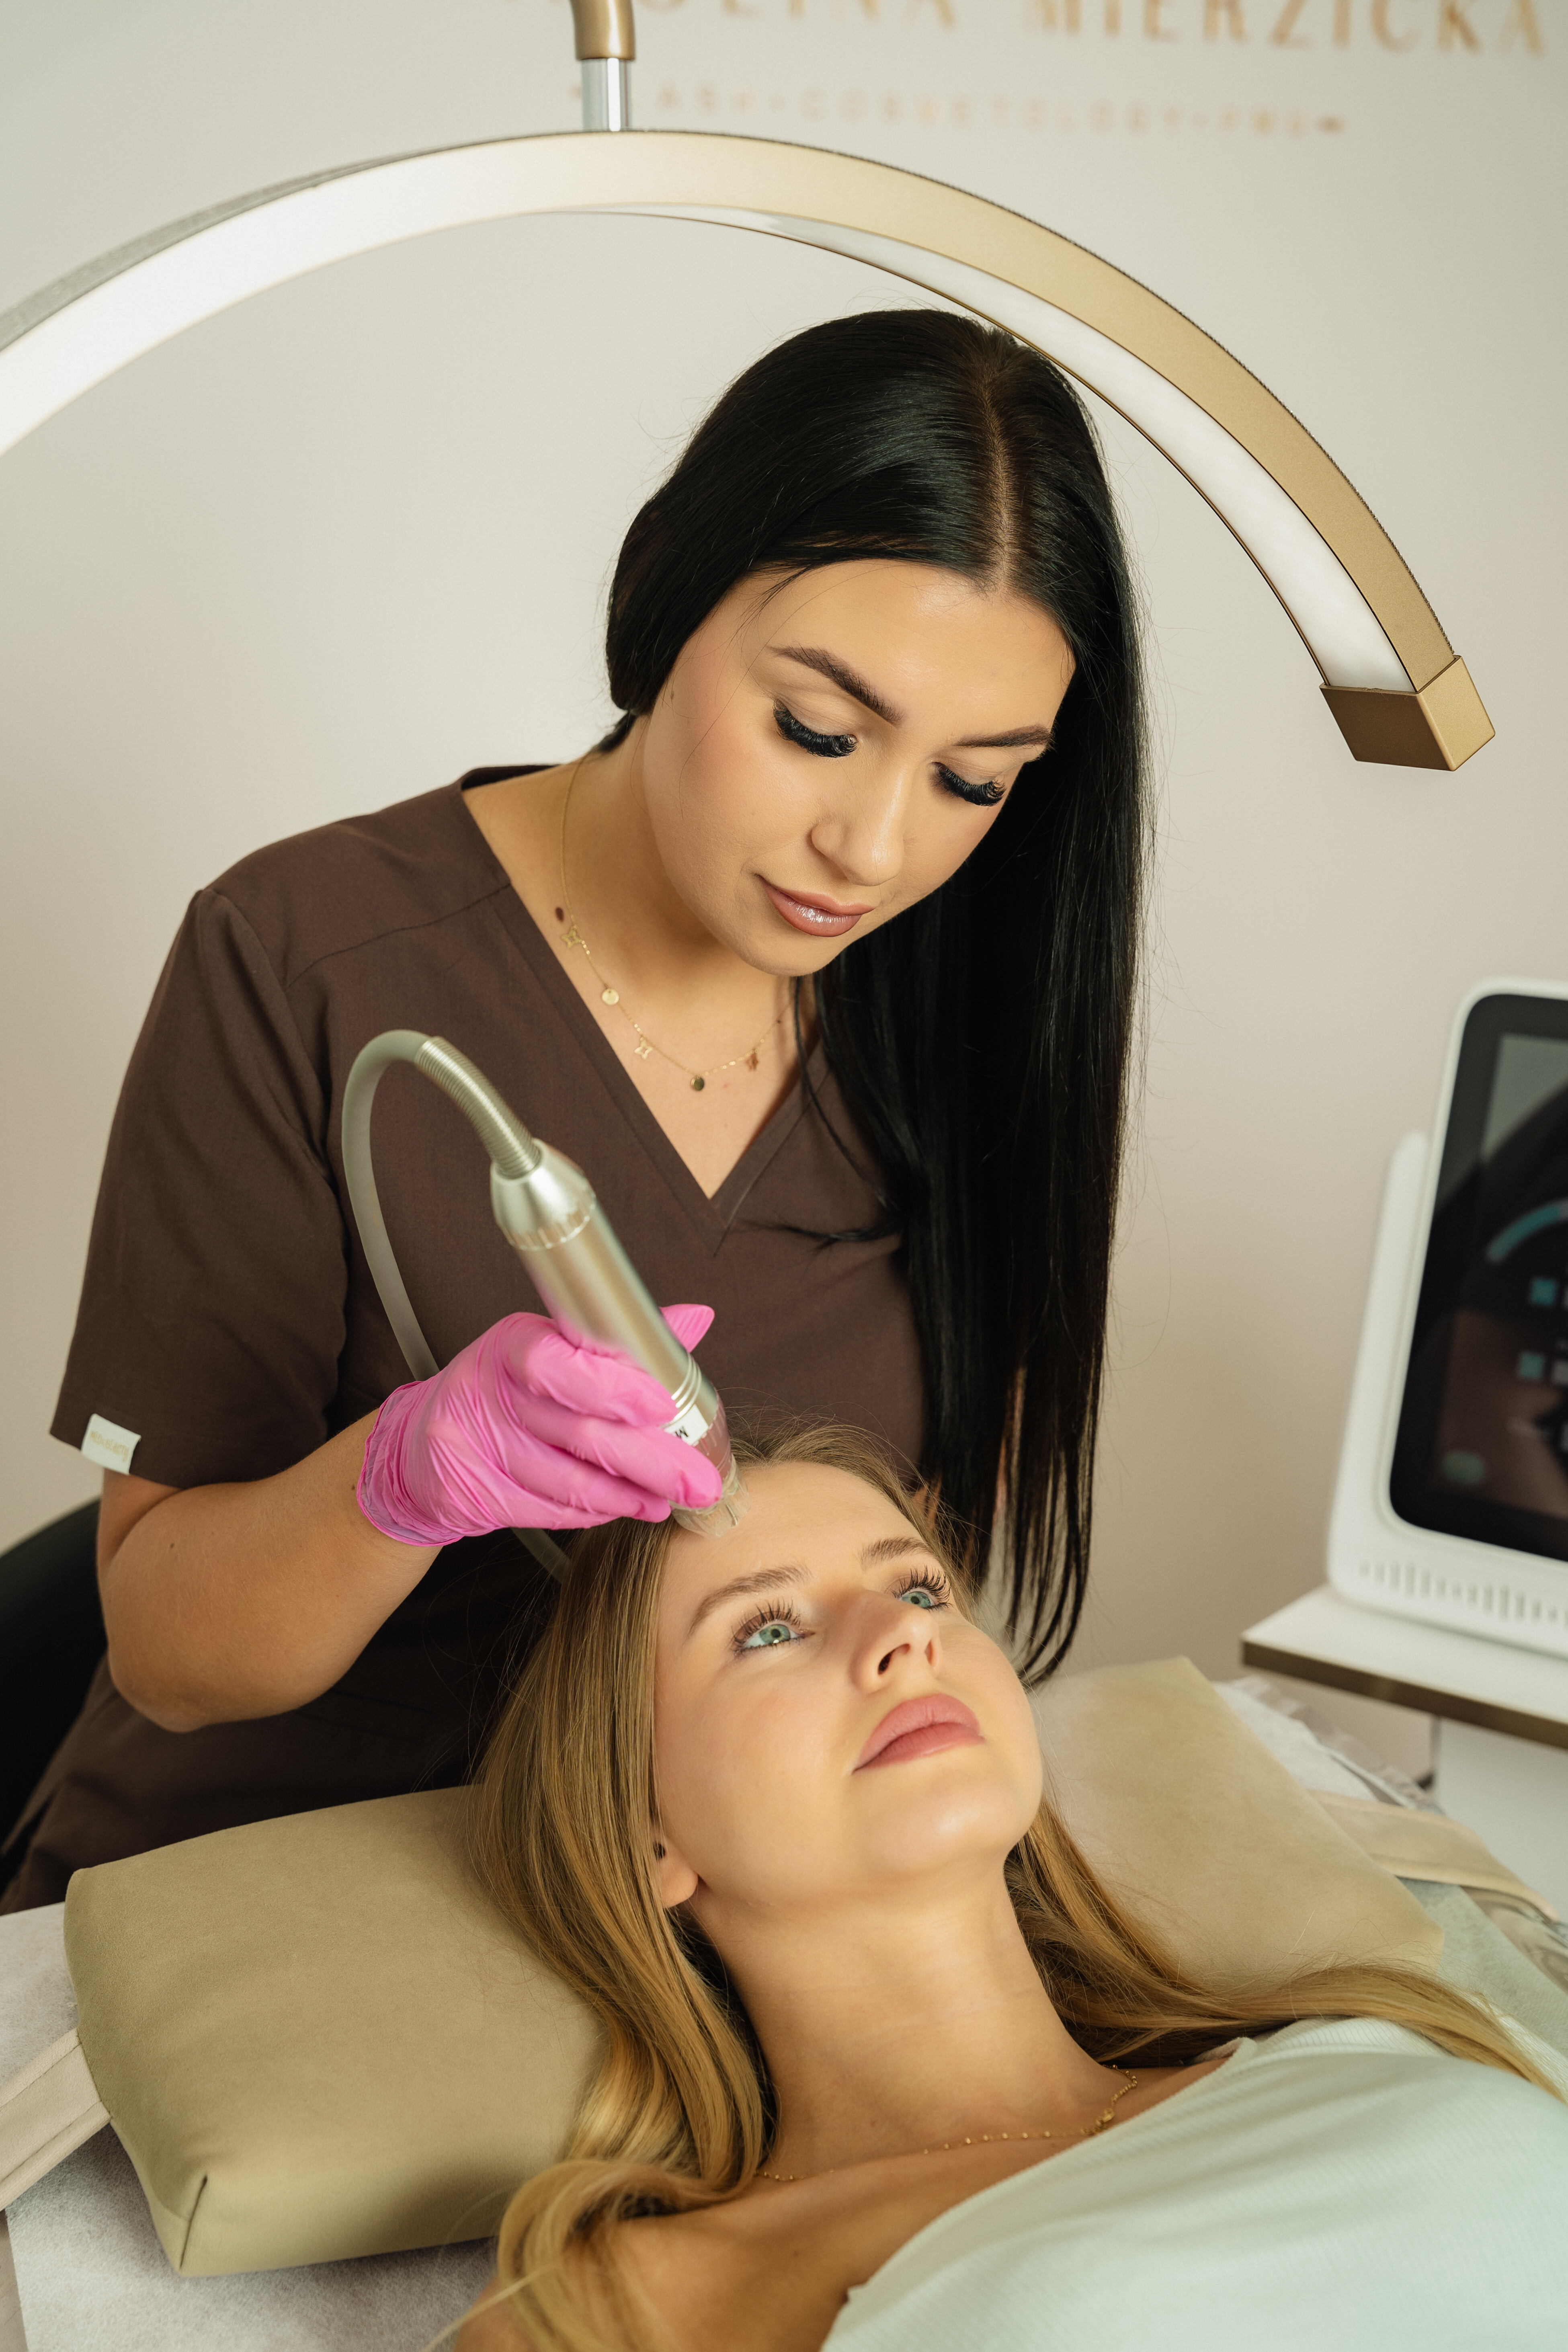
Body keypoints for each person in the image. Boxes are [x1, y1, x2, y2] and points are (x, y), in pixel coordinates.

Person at [4, 308, 1144, 1909]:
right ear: (667, 592)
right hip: (269, 1912)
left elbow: (920, 1581)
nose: (875, 847)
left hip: (692, 1930)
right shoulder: (308, 956)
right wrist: (406, 1477)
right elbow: (171, 1656)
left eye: (975, 779)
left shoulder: (965, 1028)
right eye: (818, 730)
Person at [457, 1425, 1568, 2352]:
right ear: (647, 1834)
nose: (905, 1633)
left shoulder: (1390, 2033)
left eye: (921, 1587)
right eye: (770, 1627)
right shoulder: (633, 2305)